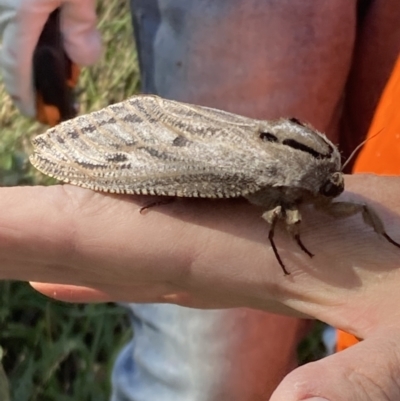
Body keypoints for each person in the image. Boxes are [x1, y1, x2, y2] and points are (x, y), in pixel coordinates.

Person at [1, 1, 400, 401]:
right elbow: (282, 221)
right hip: (190, 147)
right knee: (201, 369)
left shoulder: (316, 175)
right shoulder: (290, 189)